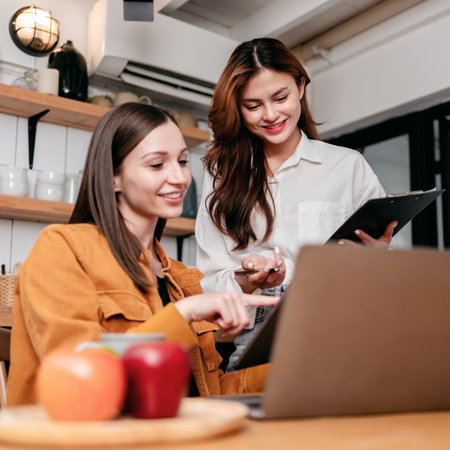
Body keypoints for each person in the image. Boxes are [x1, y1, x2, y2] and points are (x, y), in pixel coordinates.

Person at [7, 103, 279, 406]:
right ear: (113, 177)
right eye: (156, 164)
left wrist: (286, 373)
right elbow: (82, 382)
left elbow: (203, 393)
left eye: (183, 161)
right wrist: (185, 313)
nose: (179, 177)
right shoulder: (62, 248)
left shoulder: (177, 276)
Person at [195, 38, 396, 372]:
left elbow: (385, 272)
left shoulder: (347, 166)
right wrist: (252, 279)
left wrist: (376, 257)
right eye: (253, 105)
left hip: (345, 337)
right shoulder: (221, 178)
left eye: (280, 97)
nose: (271, 115)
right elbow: (208, 282)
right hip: (259, 348)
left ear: (301, 86)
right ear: (237, 106)